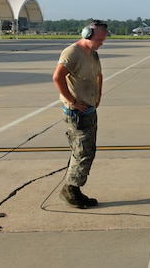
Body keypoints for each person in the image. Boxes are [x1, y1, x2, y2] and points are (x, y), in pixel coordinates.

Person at [52, 20, 107, 208]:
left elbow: (99, 75)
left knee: (87, 152)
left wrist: (98, 95)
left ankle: (74, 189)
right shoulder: (72, 53)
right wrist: (72, 101)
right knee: (82, 153)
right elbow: (57, 77)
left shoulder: (93, 54)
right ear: (87, 35)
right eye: (99, 40)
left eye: (103, 40)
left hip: (89, 110)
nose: (101, 43)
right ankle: (70, 190)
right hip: (76, 113)